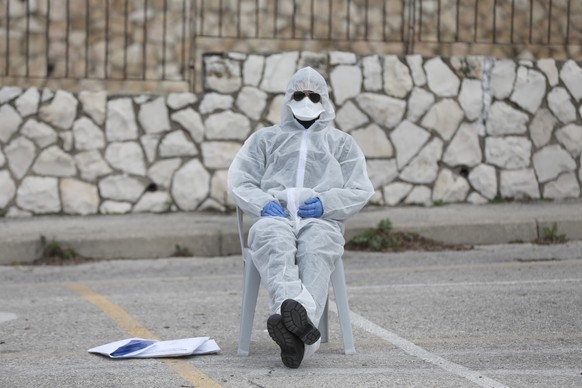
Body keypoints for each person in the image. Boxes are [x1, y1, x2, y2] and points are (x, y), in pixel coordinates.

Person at [228, 66, 374, 368]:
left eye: (313, 95)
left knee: (316, 252)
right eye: (298, 94)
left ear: (325, 100)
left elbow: (361, 188)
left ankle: (294, 332)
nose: (306, 100)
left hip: (322, 221)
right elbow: (239, 180)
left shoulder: (342, 143)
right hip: (275, 217)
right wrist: (263, 202)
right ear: (287, 98)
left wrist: (326, 203)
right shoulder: (265, 139)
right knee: (274, 244)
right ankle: (303, 331)